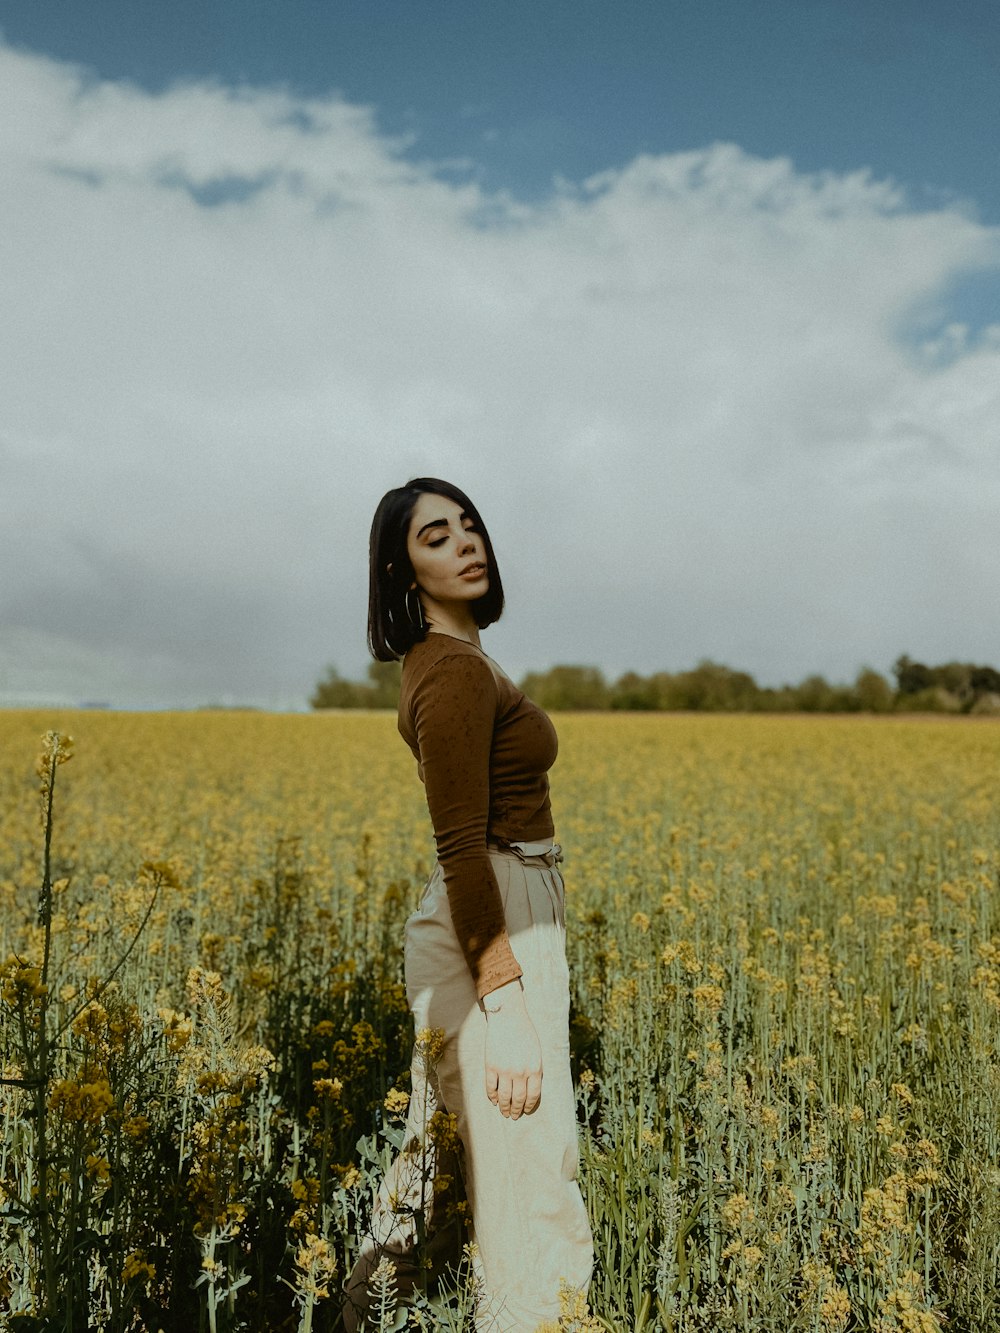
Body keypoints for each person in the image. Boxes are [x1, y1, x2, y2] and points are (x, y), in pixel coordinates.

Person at [342, 478, 593, 1332]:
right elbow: (460, 848)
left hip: (497, 902)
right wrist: (508, 1000)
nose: (466, 541)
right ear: (402, 572)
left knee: (441, 1160)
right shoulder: (451, 671)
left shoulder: (457, 660)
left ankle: (362, 1317)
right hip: (494, 911)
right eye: (436, 536)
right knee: (528, 1175)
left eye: (470, 525)